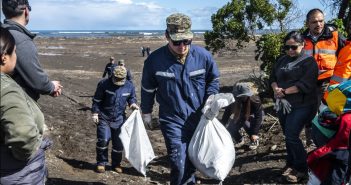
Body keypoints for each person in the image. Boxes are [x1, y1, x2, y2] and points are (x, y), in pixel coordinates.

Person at [141, 13, 219, 185]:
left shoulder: (203, 56)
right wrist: (146, 112)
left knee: (192, 159)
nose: (182, 46)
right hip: (172, 119)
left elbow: (213, 80)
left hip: (199, 118)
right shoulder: (154, 61)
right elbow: (147, 89)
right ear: (167, 36)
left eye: (187, 41)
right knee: (179, 161)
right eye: (177, 42)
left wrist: (211, 98)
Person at [0, 27, 52, 185]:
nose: (16, 56)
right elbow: (23, 134)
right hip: (18, 173)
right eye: (14, 52)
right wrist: (26, 154)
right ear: (4, 57)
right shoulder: (6, 89)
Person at [269, 31, 319, 183]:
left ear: (303, 45)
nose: (290, 50)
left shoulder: (308, 62)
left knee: (292, 135)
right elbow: (272, 77)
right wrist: (275, 89)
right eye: (287, 47)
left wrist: (284, 91)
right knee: (288, 136)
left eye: (294, 47)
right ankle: (291, 163)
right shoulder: (281, 60)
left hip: (303, 104)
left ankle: (302, 168)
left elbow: (306, 84)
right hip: (284, 104)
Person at [2, 0, 62, 101]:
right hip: (18, 102)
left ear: (4, 11)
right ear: (26, 11)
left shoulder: (3, 32)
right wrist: (51, 86)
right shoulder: (21, 40)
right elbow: (37, 81)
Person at [303, 8, 346, 147]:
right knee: (309, 112)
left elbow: (346, 55)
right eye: (314, 22)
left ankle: (325, 141)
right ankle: (311, 139)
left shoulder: (334, 35)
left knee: (325, 111)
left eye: (321, 21)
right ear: (307, 23)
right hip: (308, 83)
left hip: (328, 81)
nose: (319, 24)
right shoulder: (302, 39)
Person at [91, 66, 139, 173]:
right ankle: (101, 163)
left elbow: (132, 97)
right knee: (103, 140)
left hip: (119, 119)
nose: (118, 81)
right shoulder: (104, 84)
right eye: (116, 79)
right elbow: (97, 100)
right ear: (113, 75)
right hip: (104, 117)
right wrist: (95, 113)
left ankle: (116, 164)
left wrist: (133, 104)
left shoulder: (129, 86)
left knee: (118, 144)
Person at [221, 83, 264, 150]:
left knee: (248, 126)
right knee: (231, 128)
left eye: (244, 96)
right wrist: (221, 126)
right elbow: (227, 113)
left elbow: (258, 117)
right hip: (241, 114)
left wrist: (254, 133)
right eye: (239, 96)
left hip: (253, 115)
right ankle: (240, 140)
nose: (242, 98)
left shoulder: (255, 100)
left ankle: (254, 140)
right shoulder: (233, 101)